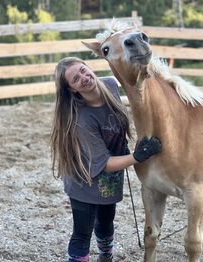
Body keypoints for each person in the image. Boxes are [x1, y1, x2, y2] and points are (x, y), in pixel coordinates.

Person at [50, 57, 162, 262]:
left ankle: (106, 257)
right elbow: (105, 163)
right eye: (76, 79)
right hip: (84, 179)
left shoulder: (110, 85)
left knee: (105, 223)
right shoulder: (82, 119)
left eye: (83, 70)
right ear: (72, 89)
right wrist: (138, 157)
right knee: (82, 233)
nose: (84, 78)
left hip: (110, 179)